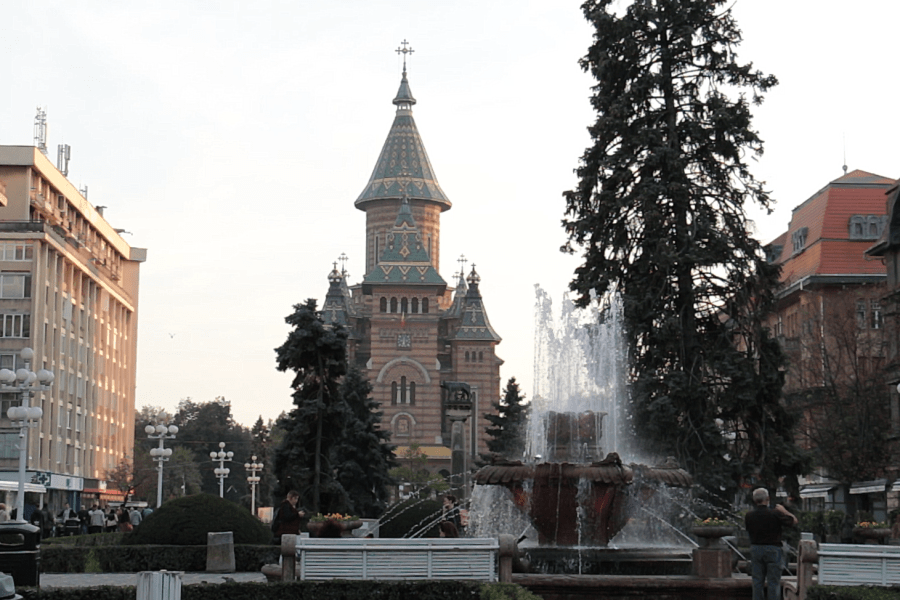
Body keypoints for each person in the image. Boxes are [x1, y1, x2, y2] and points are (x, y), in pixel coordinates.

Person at [745, 487, 797, 600]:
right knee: (773, 582)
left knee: (757, 582)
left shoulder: (749, 515)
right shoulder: (775, 514)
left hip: (756, 549)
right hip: (773, 549)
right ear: (768, 498)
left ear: (754, 500)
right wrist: (784, 511)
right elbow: (793, 521)